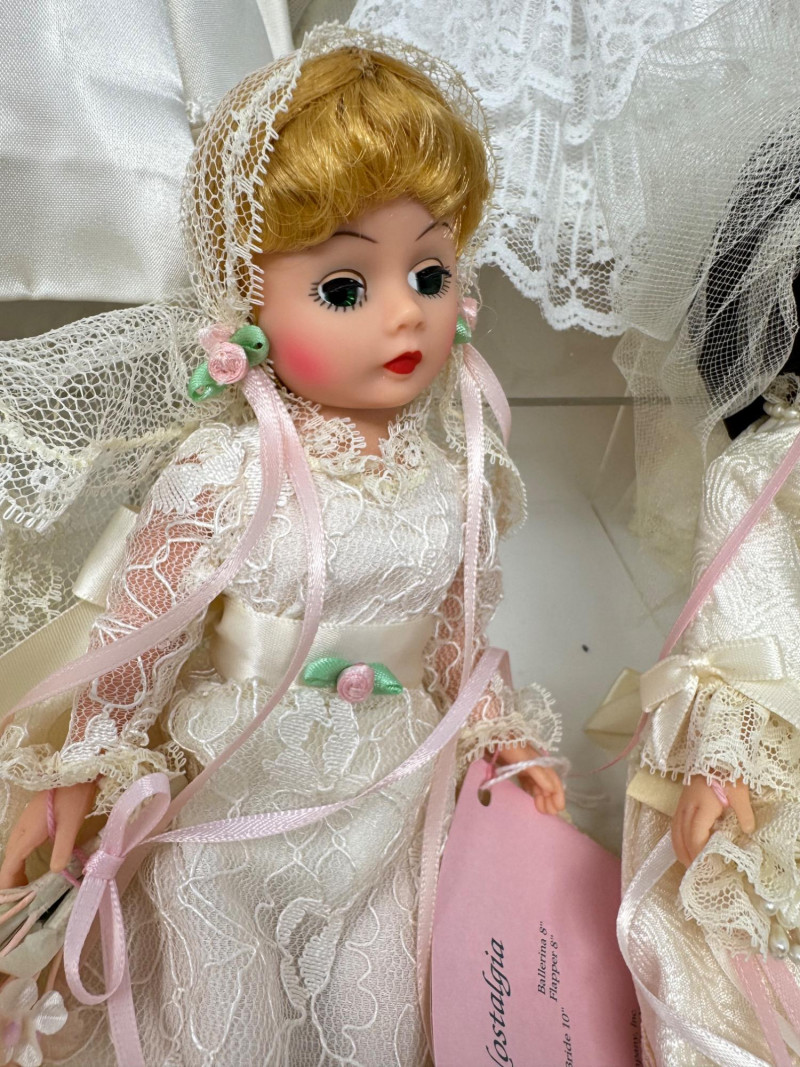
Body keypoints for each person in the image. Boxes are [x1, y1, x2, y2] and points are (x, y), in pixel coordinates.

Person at [0, 27, 564, 1065]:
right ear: (246, 301)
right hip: (234, 786)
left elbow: (458, 637)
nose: (404, 314)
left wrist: (497, 731)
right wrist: (76, 769)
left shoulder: (456, 478)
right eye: (344, 287)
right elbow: (138, 639)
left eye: (429, 272)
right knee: (225, 1019)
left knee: (379, 1016)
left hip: (387, 798)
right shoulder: (228, 473)